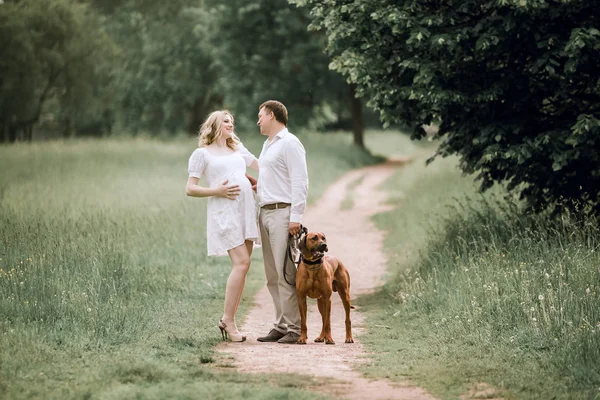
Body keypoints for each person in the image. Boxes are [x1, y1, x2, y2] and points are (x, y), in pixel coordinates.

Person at [185, 110, 259, 342]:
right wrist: (217, 190)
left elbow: (261, 166)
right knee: (242, 262)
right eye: (226, 121)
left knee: (244, 266)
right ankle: (228, 320)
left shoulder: (237, 147)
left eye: (232, 122)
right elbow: (190, 188)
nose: (231, 125)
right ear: (215, 124)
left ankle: (229, 320)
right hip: (224, 213)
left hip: (245, 210)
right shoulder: (202, 154)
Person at [253, 100, 309, 344]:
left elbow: (300, 181)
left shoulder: (290, 143)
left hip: (282, 214)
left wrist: (295, 217)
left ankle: (295, 328)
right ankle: (281, 324)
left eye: (261, 116)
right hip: (265, 212)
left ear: (273, 115)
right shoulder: (267, 145)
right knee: (272, 274)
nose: (258, 121)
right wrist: (257, 186)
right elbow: (276, 179)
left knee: (286, 272)